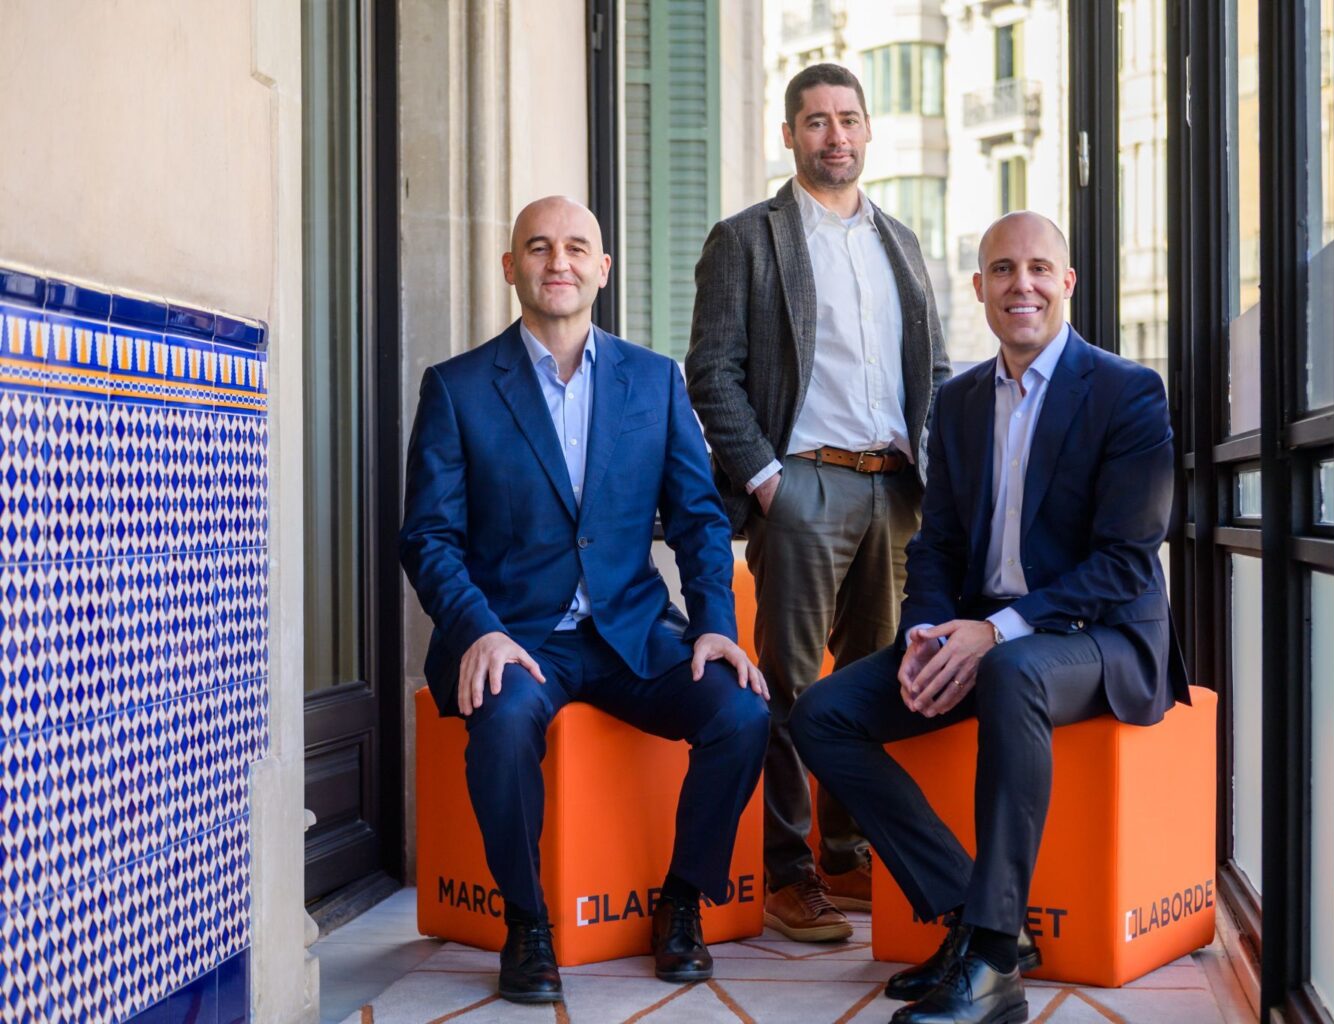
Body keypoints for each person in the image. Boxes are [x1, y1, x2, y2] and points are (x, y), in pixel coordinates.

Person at [790, 211, 1190, 1024]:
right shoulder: (961, 401)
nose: (1022, 285)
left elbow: (1126, 560)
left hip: (1104, 640)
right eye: (1003, 270)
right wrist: (926, 635)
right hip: (985, 639)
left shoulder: (1126, 391)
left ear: (1067, 282)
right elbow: (936, 544)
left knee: (1011, 669)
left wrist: (997, 632)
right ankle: (966, 917)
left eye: (1039, 268)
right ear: (979, 288)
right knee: (822, 714)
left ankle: (996, 960)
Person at [399, 196, 770, 1005]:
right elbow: (428, 537)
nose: (557, 261)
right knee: (502, 725)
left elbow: (700, 518)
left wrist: (715, 625)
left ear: (603, 269)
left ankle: (682, 902)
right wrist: (478, 632)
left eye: (575, 248)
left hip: (631, 631)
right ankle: (527, 923)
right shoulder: (458, 388)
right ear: (511, 268)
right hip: (517, 636)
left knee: (743, 713)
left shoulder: (654, 380)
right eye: (538, 247)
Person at [686, 63, 950, 943]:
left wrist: (933, 473)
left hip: (895, 490)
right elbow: (711, 372)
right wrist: (769, 481)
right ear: (790, 135)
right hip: (803, 485)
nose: (835, 136)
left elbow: (933, 370)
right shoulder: (747, 239)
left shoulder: (899, 241)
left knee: (875, 682)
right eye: (816, 121)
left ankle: (845, 854)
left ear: (868, 130)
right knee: (791, 685)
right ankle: (789, 870)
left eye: (848, 119)